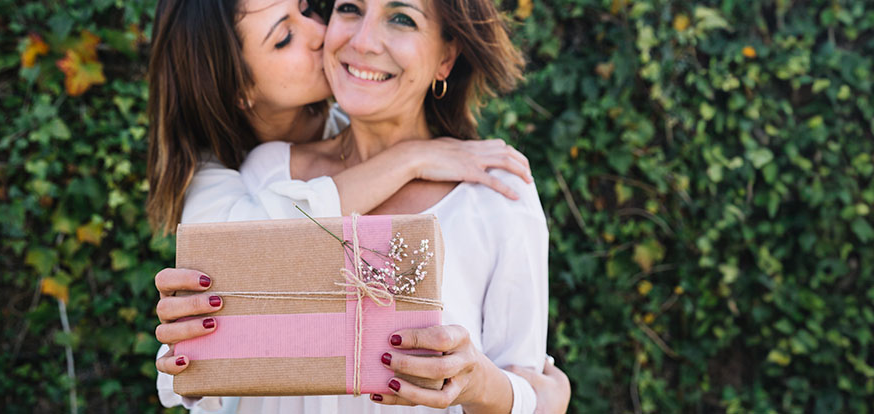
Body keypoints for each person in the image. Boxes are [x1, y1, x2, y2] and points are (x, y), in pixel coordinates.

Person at [146, 0, 570, 412]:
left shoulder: (495, 193)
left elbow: (526, 391)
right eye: (349, 8)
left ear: (446, 58)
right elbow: (211, 352)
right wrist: (191, 346)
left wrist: (483, 384)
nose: (362, 41)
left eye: (401, 17)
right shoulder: (265, 174)